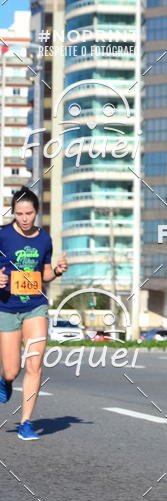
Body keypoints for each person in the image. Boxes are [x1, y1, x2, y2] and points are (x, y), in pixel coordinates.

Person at [0, 187, 67, 440]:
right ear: (13, 213)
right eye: (19, 214)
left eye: (28, 213)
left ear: (36, 212)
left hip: (36, 306)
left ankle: (26, 422)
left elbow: (44, 273)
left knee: (34, 364)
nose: (24, 218)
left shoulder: (44, 239)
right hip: (6, 307)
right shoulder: (3, 236)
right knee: (11, 370)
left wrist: (57, 271)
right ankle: (5, 381)